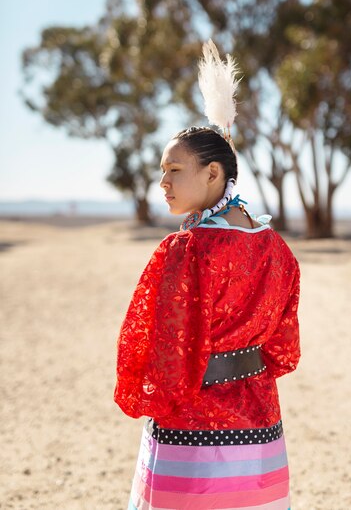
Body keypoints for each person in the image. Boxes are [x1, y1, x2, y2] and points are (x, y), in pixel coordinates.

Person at [114, 41, 301, 510]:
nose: (164, 183)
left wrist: (156, 396)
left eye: (174, 170)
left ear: (214, 173)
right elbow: (282, 350)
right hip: (259, 424)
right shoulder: (278, 250)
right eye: (162, 172)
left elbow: (164, 346)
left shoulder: (186, 249)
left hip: (191, 432)